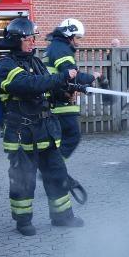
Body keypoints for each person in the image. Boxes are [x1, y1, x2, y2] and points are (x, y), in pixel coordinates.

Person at [0, 17, 84, 236]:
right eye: (28, 39)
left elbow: (46, 89)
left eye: (33, 38)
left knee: (57, 173)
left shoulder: (34, 62)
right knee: (23, 179)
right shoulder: (7, 65)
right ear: (16, 40)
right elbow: (29, 85)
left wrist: (65, 91)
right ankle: (23, 221)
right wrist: (62, 76)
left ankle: (62, 217)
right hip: (21, 133)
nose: (33, 42)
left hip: (45, 129)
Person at [43, 18, 101, 160]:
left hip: (56, 98)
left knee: (57, 139)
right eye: (78, 37)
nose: (79, 42)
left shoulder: (54, 47)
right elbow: (71, 75)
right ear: (69, 35)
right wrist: (92, 77)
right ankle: (54, 168)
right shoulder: (61, 50)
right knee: (72, 135)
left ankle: (52, 167)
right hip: (59, 101)